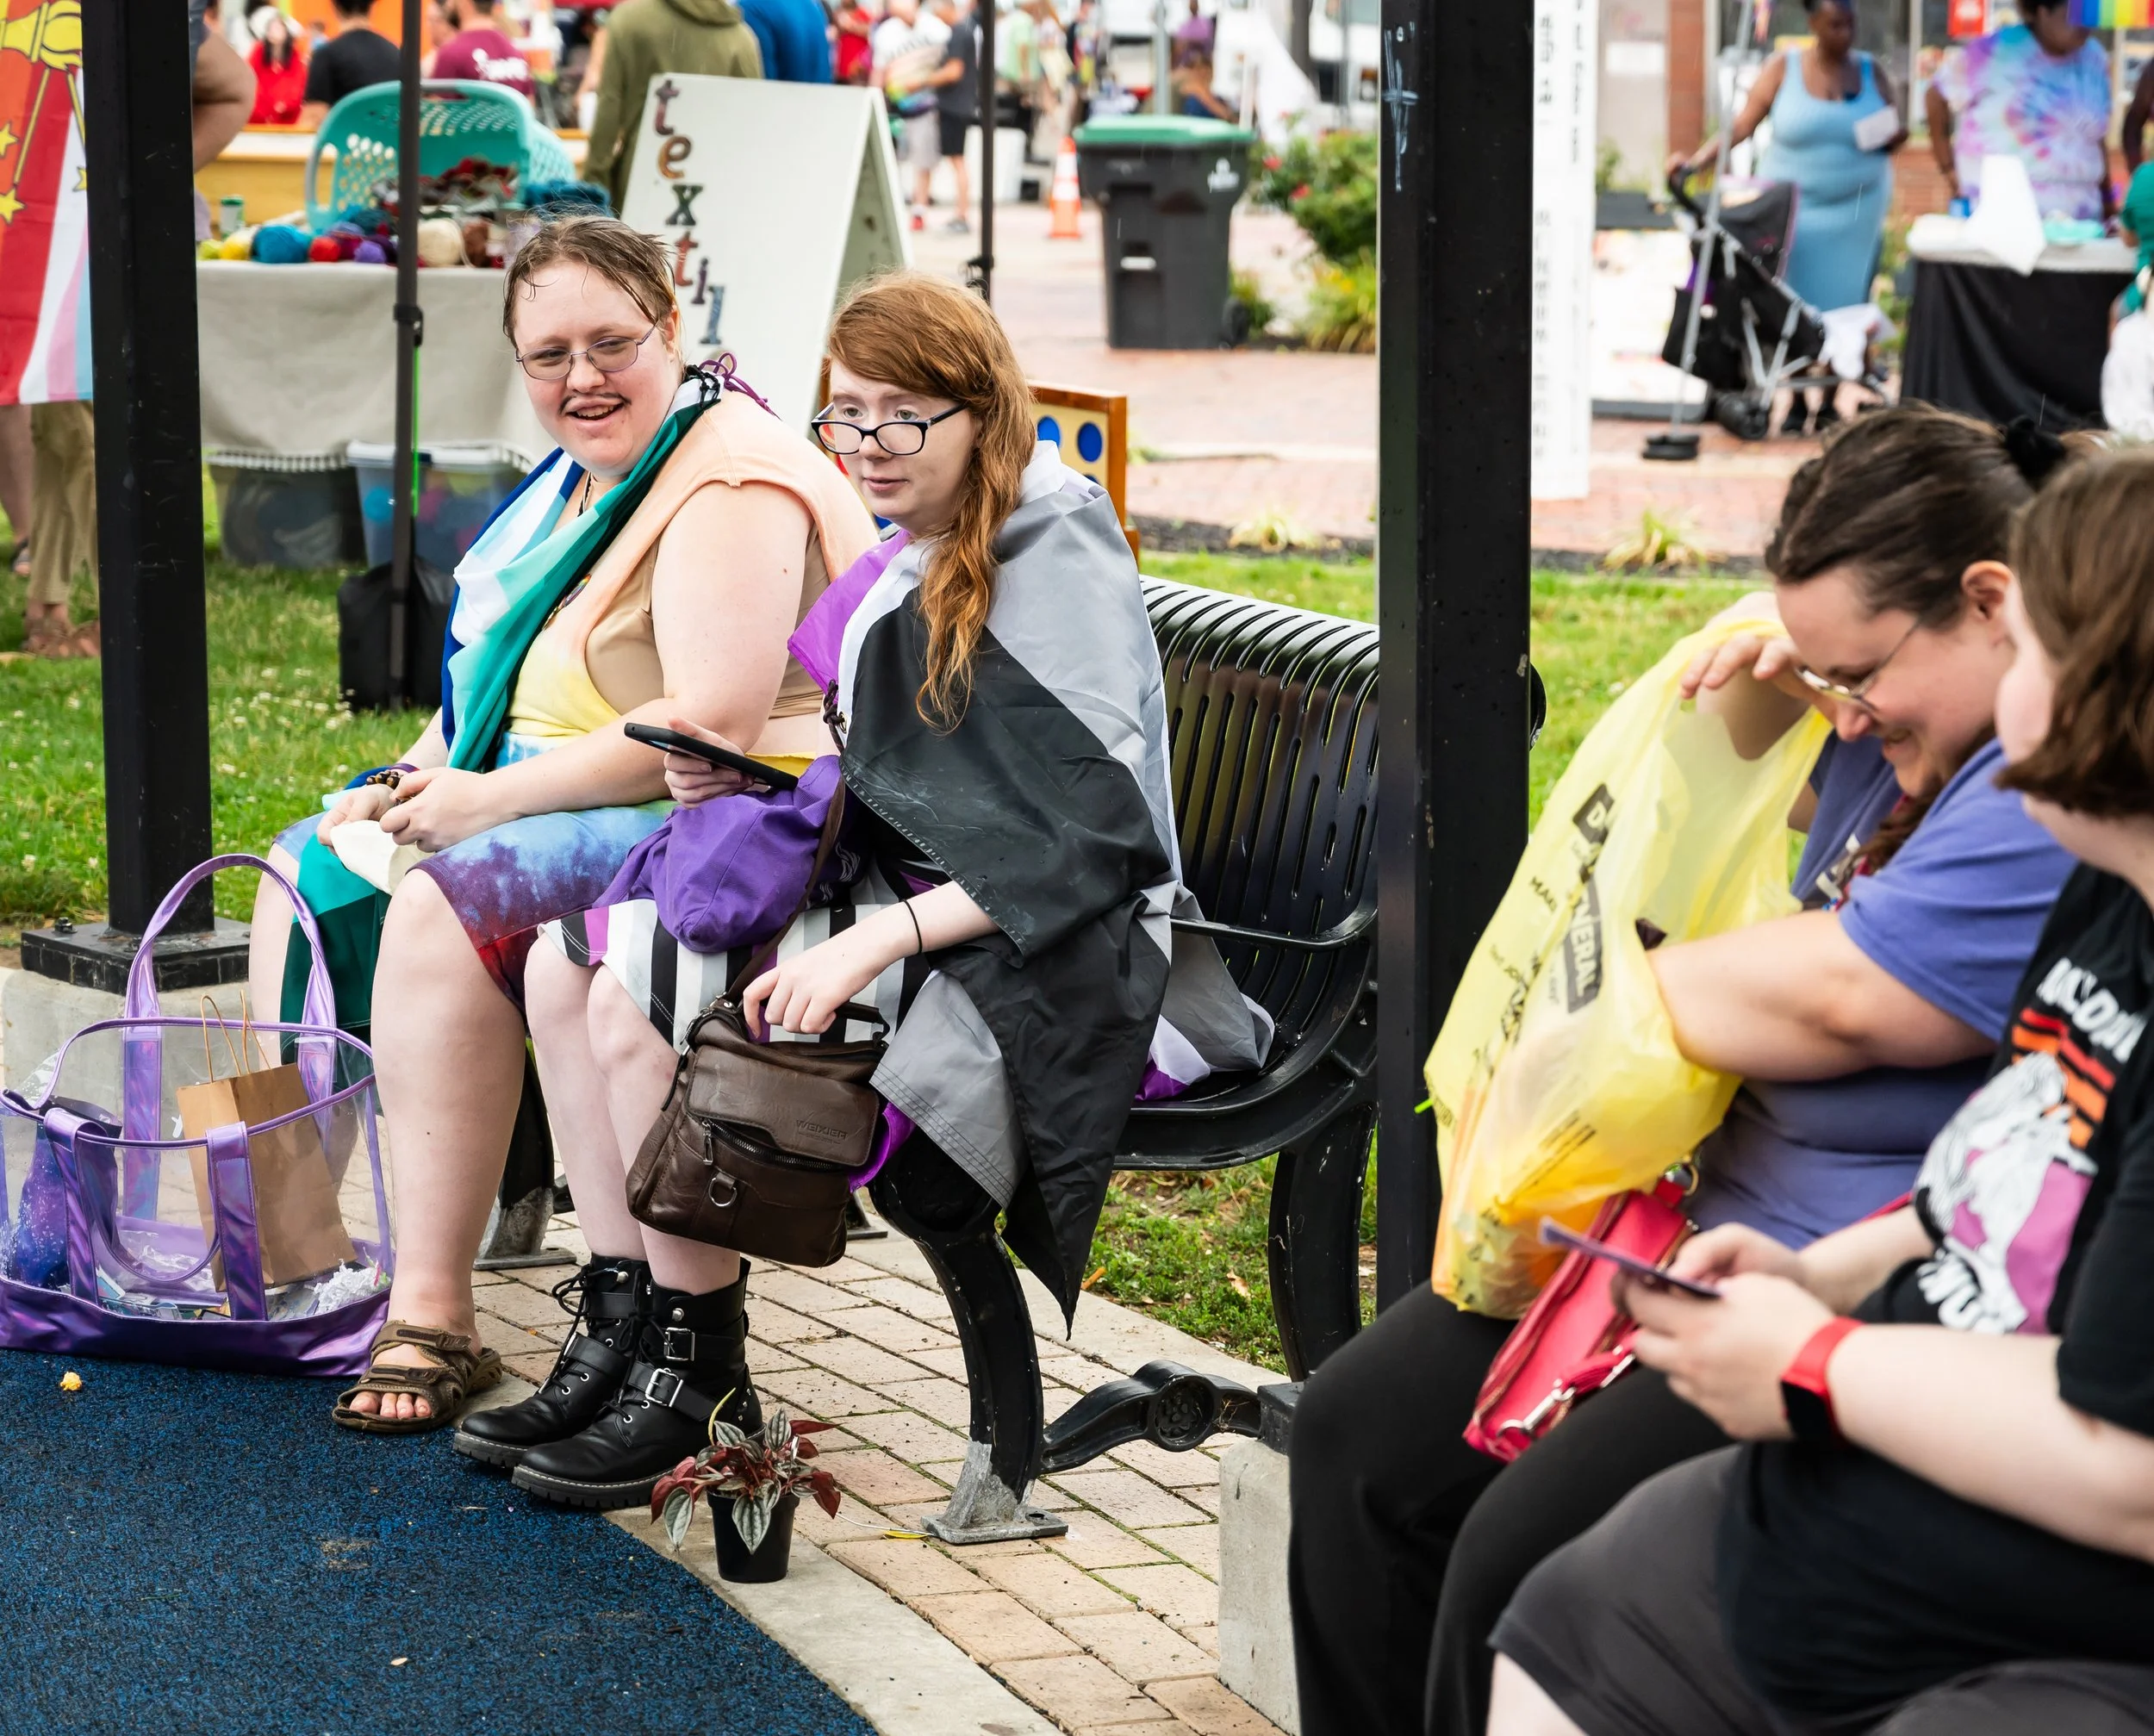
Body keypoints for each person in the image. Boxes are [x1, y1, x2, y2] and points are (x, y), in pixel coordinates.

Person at [1288, 407, 2078, 1736]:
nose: (1844, 707)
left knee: (1507, 1559)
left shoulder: (2043, 785)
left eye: (1859, 672)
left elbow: (1836, 999)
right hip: (1683, 1229)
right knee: (1359, 1436)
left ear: (1990, 602)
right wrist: (1785, 684)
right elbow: (1714, 788)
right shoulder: (1889, 725)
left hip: (1839, 1279)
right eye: (1827, 673)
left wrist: (1619, 994)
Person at [467, 271, 1270, 1508]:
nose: (867, 447)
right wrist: (736, 780)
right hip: (939, 893)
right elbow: (922, 766)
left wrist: (859, 945)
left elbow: (1090, 840)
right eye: (846, 416)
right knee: (558, 961)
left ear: (983, 412)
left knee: (637, 980)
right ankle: (621, 1325)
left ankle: (695, 1371)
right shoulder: (944, 531)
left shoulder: (1049, 546)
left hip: (1054, 944)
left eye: (902, 416)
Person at [1485, 440, 2154, 1736]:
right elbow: (2020, 1174)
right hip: (1835, 1524)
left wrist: (1812, 1362)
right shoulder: (2107, 895)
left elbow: (2130, 1463)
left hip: (2016, 1627)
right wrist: (1826, 1276)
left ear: (2099, 692)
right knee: (1546, 1602)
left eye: (2035, 641)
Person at [240, 216, 875, 1433]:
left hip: (724, 813)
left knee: (437, 902)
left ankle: (432, 1303)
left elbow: (717, 716)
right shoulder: (587, 472)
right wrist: (410, 776)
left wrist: (481, 802)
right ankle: (301, 1257)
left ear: (670, 329)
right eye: (549, 356)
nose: (580, 378)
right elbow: (498, 680)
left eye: (609, 343)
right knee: (299, 873)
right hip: (559, 786)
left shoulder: (727, 473)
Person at [1668, 0, 1902, 435]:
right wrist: (1698, 163)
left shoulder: (1872, 72)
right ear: (1813, 24)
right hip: (1795, 215)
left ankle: (1831, 399)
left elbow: (1896, 128)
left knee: (1846, 303)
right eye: (1834, 25)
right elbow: (1741, 127)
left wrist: (1890, 131)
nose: (1844, 34)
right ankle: (1795, 396)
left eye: (1850, 25)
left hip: (1855, 215)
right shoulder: (1784, 68)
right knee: (1792, 303)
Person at [1927, 0, 2111, 223]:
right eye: (2076, 15)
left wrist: (2108, 200)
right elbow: (1936, 96)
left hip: (2080, 225)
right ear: (2043, 11)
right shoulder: (1993, 51)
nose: (2085, 25)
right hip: (2001, 222)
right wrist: (1949, 170)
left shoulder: (2094, 58)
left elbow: (2095, 137)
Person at [581, 0, 762, 214]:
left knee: (640, 246)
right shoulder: (741, 39)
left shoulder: (629, 22)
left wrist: (592, 190)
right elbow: (752, 127)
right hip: (714, 190)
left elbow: (609, 110)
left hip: (641, 181)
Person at [875, 0, 949, 229]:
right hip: (895, 107)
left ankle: (919, 209)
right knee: (892, 160)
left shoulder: (936, 28)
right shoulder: (885, 32)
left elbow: (951, 62)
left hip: (926, 106)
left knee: (923, 158)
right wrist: (874, 102)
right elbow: (879, 70)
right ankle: (892, 210)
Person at [300, 0, 402, 128]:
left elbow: (312, 121)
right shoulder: (397, 53)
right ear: (371, 7)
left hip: (345, 144)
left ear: (335, 7)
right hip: (393, 144)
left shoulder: (326, 56)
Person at [926, 0, 979, 232]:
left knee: (957, 161)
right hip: (958, 104)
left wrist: (921, 80)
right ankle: (960, 212)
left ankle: (961, 213)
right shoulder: (963, 31)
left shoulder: (959, 33)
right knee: (955, 160)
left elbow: (954, 71)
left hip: (955, 105)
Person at [432, 0, 538, 96]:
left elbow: (436, 111)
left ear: (464, 3)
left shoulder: (451, 54)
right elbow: (526, 110)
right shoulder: (516, 54)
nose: (448, 5)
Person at [737, 0, 831, 81]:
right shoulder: (814, 7)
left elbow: (760, 87)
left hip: (781, 100)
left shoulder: (751, 8)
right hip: (818, 99)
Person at [246, 6, 309, 126]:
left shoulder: (295, 55)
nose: (275, 30)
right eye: (272, 27)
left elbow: (299, 84)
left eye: (279, 26)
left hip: (287, 120)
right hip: (258, 119)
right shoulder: (258, 52)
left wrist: (285, 104)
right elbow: (249, 79)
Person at [1171, 46, 1232, 120]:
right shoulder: (1191, 88)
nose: (1203, 74)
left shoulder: (1217, 98)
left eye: (1207, 71)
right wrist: (1230, 117)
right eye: (1200, 71)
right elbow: (1222, 113)